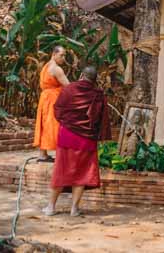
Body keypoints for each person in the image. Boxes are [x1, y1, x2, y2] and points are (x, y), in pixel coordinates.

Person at [44, 66, 111, 217]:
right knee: (82, 173)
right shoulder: (98, 94)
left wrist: (66, 123)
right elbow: (101, 119)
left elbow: (58, 109)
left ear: (81, 75)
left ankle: (51, 207)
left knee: (61, 170)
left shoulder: (69, 89)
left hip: (67, 136)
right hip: (86, 139)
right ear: (94, 80)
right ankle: (74, 208)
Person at [33, 45, 69, 163]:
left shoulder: (46, 66)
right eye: (61, 55)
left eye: (64, 56)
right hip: (53, 99)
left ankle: (42, 154)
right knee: (55, 125)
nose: (63, 58)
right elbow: (68, 86)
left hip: (45, 98)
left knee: (44, 123)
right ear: (54, 54)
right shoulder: (57, 69)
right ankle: (60, 154)